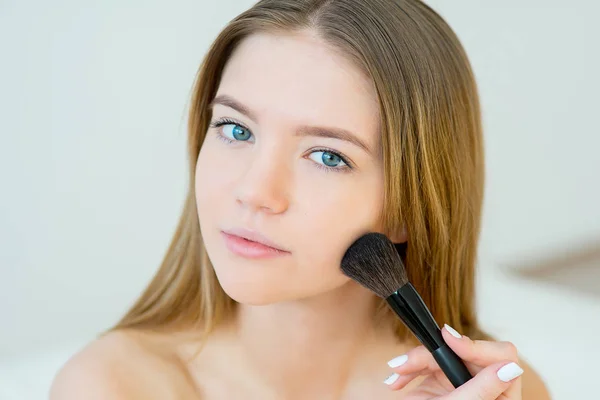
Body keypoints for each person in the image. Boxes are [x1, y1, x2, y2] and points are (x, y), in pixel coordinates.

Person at [50, 0, 551, 398]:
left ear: (409, 206)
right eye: (235, 129)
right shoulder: (112, 386)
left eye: (327, 156)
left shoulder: (496, 389)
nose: (255, 191)